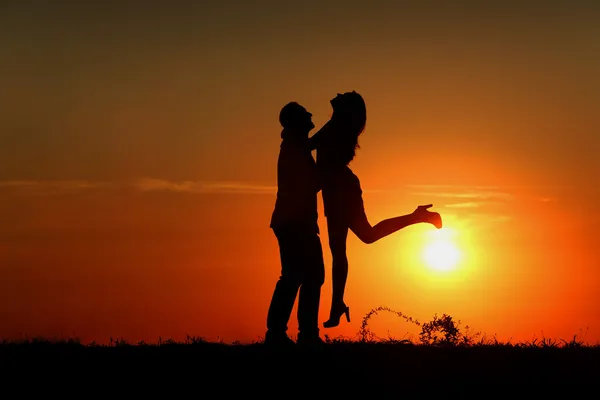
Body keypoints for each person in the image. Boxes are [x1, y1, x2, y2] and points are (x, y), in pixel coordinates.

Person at [308, 91, 443, 328]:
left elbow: (308, 147)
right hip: (339, 187)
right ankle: (418, 216)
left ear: (346, 109)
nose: (337, 94)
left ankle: (336, 304)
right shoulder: (336, 127)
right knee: (359, 240)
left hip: (340, 189)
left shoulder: (333, 127)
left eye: (344, 95)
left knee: (345, 248)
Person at [265, 102, 326, 346]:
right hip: (295, 222)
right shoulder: (294, 147)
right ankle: (290, 334)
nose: (311, 115)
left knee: (305, 275)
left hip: (294, 221)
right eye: (305, 114)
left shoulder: (295, 145)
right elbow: (311, 184)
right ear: (296, 122)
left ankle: (298, 333)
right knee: (299, 275)